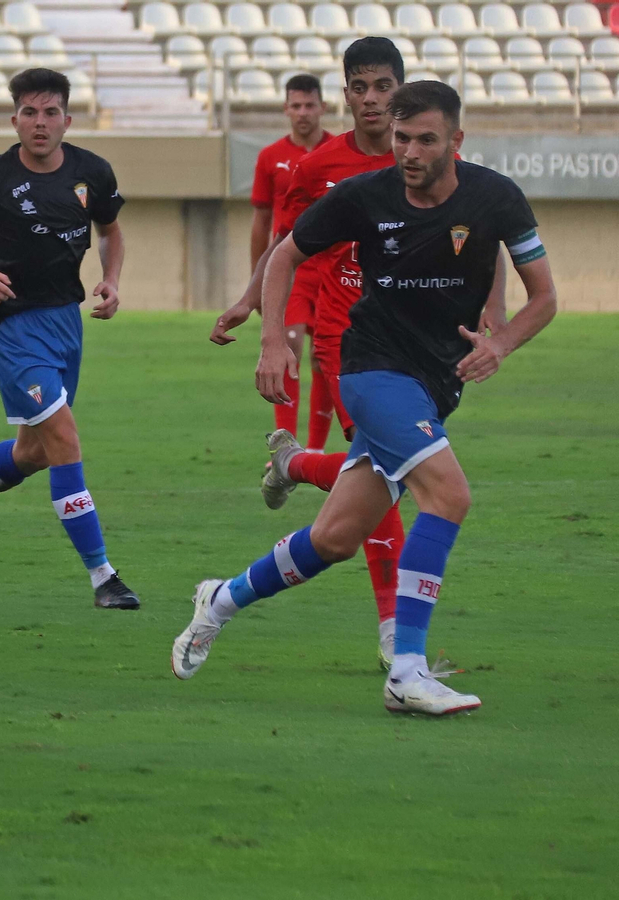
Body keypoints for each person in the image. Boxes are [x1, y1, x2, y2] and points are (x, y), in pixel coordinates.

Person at [171, 81, 557, 716]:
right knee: (449, 495)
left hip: (436, 384)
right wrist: (272, 339)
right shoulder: (363, 196)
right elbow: (283, 256)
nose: (409, 152)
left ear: (455, 142)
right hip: (372, 369)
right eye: (401, 138)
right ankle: (406, 671)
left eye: (425, 139)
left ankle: (219, 598)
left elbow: (543, 295)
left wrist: (501, 343)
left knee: (334, 538)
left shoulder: (497, 197)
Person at [215, 38, 409, 664]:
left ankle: (294, 465)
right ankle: (396, 640)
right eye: (361, 87)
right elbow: (283, 245)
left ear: (400, 90)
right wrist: (256, 311)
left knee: (378, 476)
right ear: (345, 94)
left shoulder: (429, 155)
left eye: (383, 86)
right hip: (345, 338)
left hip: (413, 342)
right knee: (389, 472)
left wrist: (488, 310)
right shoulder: (317, 165)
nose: (372, 99)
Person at [0, 67, 140, 611]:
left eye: (50, 113)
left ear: (67, 119)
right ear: (14, 119)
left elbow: (109, 231)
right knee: (63, 438)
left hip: (65, 321)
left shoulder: (93, 172)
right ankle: (103, 577)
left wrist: (110, 281)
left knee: (36, 452)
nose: (40, 124)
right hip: (12, 325)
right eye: (29, 113)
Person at [248, 75, 334, 450]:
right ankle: (286, 447)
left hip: (332, 268)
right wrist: (258, 285)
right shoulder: (270, 157)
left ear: (323, 108)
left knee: (325, 357)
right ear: (286, 109)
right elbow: (262, 222)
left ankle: (315, 448)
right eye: (295, 105)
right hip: (291, 268)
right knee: (291, 345)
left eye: (309, 105)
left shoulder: (337, 152)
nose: (302, 112)